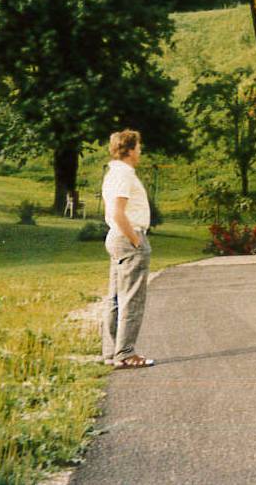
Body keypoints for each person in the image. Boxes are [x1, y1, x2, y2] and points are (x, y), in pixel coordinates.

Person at [101, 129, 155, 369]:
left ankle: (112, 351)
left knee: (115, 297)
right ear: (130, 150)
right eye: (139, 147)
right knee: (132, 298)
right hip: (127, 236)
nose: (140, 151)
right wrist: (135, 240)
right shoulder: (124, 174)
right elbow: (118, 212)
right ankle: (125, 353)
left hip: (116, 237)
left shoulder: (113, 172)